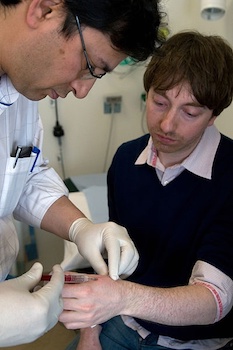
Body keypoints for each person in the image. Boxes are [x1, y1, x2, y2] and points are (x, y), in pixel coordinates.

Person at [0, 0, 164, 346]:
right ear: (45, 9)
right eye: (91, 66)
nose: (82, 90)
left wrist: (81, 227)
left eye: (97, 77)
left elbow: (25, 174)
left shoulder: (22, 88)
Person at [60, 31, 233, 350]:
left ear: (213, 116)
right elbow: (113, 264)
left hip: (194, 341)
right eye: (159, 102)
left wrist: (121, 299)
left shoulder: (230, 176)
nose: (167, 124)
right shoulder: (126, 160)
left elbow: (213, 300)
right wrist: (90, 331)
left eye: (190, 112)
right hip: (124, 322)